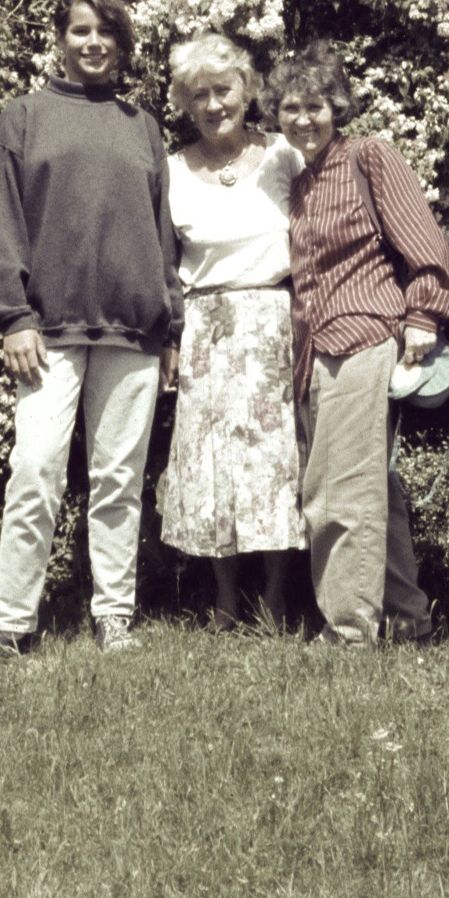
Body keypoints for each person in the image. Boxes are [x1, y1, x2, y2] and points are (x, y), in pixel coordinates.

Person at [0, 0, 182, 670]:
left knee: (118, 478)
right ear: (61, 38)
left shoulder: (143, 125)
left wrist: (169, 328)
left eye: (106, 33)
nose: (94, 43)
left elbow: (163, 234)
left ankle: (114, 616)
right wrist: (13, 315)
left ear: (122, 45)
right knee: (36, 469)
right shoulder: (24, 117)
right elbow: (1, 222)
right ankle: (10, 624)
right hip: (46, 331)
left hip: (133, 332)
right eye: (81, 31)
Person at [261, 42, 449, 648]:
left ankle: (348, 631)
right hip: (317, 353)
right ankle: (408, 618)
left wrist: (423, 314)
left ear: (337, 106)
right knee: (376, 490)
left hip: (367, 339)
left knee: (337, 490)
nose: (302, 119)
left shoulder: (370, 157)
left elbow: (423, 241)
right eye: (290, 108)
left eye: (314, 105)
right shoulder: (302, 181)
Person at [161, 32, 306, 630]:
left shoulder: (284, 156)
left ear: (247, 91)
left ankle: (273, 598)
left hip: (274, 323)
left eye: (224, 90)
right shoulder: (171, 171)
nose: (215, 105)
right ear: (185, 104)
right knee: (213, 463)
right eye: (201, 95)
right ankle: (224, 599)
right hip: (205, 330)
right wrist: (170, 338)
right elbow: (165, 265)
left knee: (272, 462)